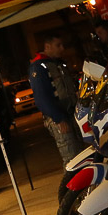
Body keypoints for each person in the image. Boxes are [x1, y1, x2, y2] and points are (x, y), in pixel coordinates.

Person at [29, 33, 84, 165]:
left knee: (80, 155)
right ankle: (71, 179)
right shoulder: (39, 67)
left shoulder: (58, 63)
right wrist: (58, 118)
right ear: (48, 46)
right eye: (58, 45)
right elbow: (41, 97)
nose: (62, 48)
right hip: (59, 118)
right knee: (72, 159)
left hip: (70, 114)